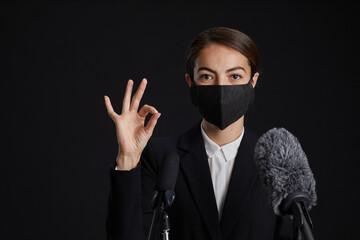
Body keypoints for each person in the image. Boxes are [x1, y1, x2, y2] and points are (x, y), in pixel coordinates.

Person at [104, 27, 293, 240]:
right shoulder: (160, 158)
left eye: (235, 76)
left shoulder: (277, 163)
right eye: (207, 76)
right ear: (190, 82)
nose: (221, 87)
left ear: (253, 81)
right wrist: (127, 157)